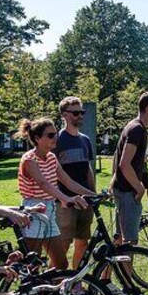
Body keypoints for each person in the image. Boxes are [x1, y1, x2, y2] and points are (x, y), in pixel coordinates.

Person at [15, 117, 92, 270]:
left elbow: (68, 181)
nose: (55, 137)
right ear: (37, 138)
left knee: (61, 263)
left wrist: (92, 194)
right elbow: (43, 184)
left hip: (49, 210)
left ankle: (48, 293)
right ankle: (31, 293)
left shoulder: (51, 157)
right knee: (32, 264)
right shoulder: (29, 159)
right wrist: (66, 198)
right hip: (34, 210)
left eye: (55, 134)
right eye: (50, 135)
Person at [110, 91, 148, 246]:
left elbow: (116, 155)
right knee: (129, 242)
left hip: (121, 189)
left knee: (118, 239)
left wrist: (114, 179)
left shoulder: (132, 126)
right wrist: (139, 189)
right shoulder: (137, 129)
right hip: (127, 192)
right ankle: (126, 272)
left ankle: (105, 271)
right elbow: (124, 163)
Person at [54, 97, 96, 269]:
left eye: (82, 112)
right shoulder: (56, 140)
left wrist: (93, 195)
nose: (80, 116)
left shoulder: (85, 139)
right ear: (64, 115)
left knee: (83, 243)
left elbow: (88, 169)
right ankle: (54, 283)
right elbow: (51, 173)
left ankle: (75, 283)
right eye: (75, 112)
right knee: (62, 246)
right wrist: (61, 198)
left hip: (85, 201)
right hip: (65, 202)